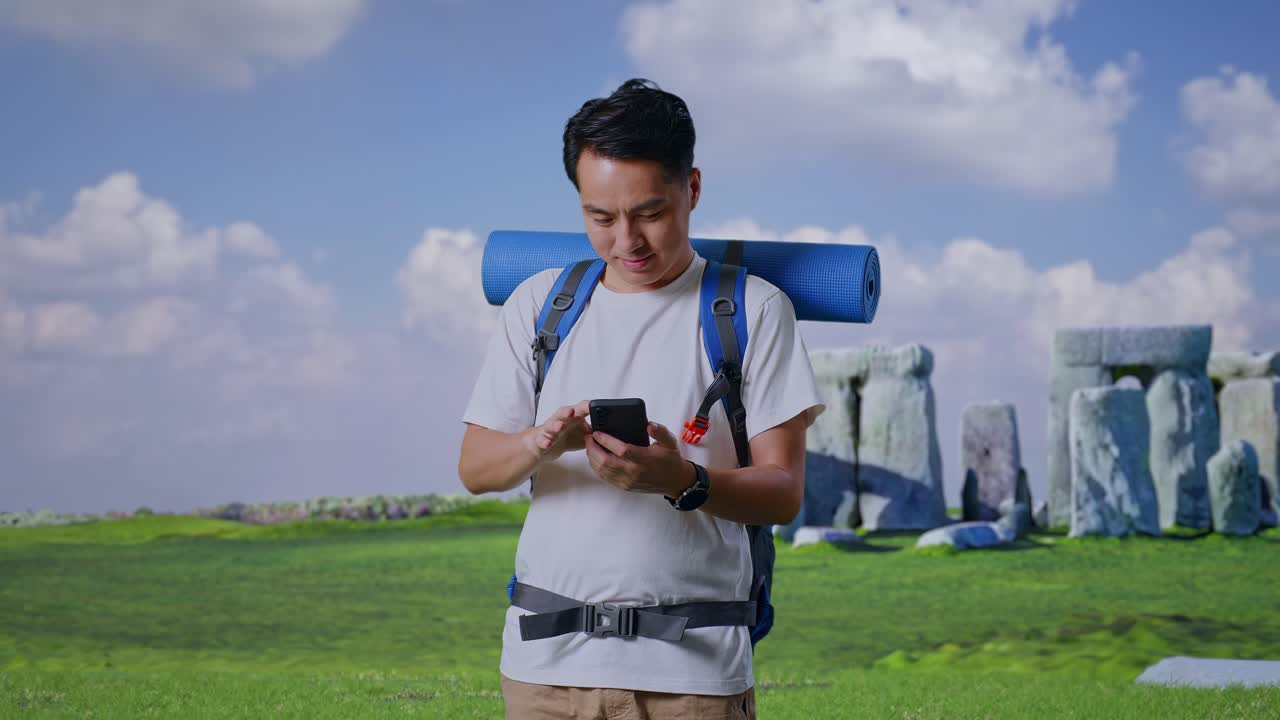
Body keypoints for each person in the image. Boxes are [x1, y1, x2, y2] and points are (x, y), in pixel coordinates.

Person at [458, 78, 826, 720]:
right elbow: (476, 468)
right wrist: (540, 442)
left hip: (694, 679)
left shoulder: (754, 311)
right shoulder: (541, 307)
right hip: (543, 674)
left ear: (693, 189)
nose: (626, 240)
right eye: (600, 217)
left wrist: (683, 479)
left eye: (649, 213)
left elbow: (784, 490)